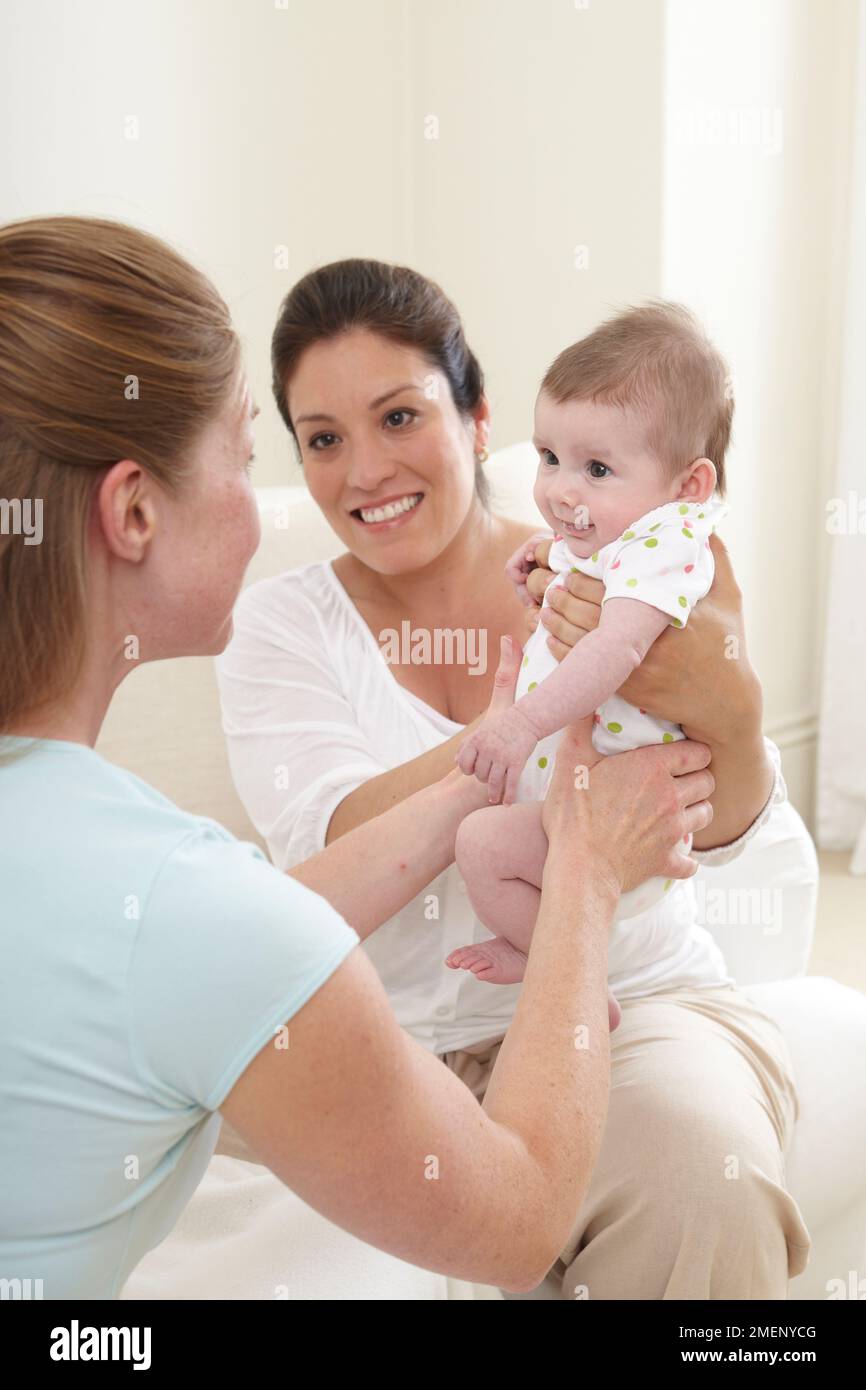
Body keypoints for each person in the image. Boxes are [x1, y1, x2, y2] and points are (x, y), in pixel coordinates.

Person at [0, 214, 714, 1300]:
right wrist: (579, 862)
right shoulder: (180, 899)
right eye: (254, 452)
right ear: (134, 512)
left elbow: (255, 926)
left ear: (473, 422)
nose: (291, 492)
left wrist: (505, 729)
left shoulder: (142, 886)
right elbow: (516, 1222)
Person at [215, 257, 812, 1297]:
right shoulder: (276, 626)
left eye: (398, 417)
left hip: (630, 998)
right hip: (394, 1049)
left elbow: (734, 834)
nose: (363, 471)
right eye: (322, 438)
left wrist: (733, 716)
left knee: (698, 1185)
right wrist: (501, 734)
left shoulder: (614, 571)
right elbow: (331, 848)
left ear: (478, 416)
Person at [449, 302, 734, 997]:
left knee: (480, 846)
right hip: (577, 805)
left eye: (597, 469)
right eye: (549, 458)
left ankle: (571, 976)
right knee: (483, 843)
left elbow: (617, 647)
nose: (559, 489)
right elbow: (600, 566)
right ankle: (553, 956)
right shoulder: (627, 540)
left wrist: (520, 722)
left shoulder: (669, 546)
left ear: (686, 488)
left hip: (620, 823)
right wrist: (551, 553)